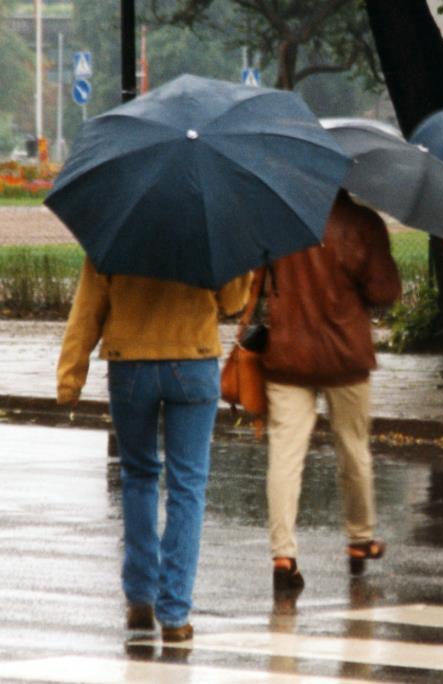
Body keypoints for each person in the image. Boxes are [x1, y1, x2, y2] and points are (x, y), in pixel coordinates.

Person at [57, 259, 251, 641]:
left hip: (130, 364)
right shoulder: (208, 225)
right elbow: (231, 302)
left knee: (138, 475)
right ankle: (175, 614)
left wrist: (70, 376)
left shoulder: (116, 224)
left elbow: (89, 305)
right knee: (187, 486)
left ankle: (140, 599)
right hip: (193, 360)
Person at [260, 189, 401, 592]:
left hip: (287, 353)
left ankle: (283, 553)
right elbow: (384, 291)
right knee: (353, 448)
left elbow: (260, 280)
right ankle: (360, 539)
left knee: (285, 456)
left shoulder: (280, 221)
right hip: (345, 355)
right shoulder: (361, 224)